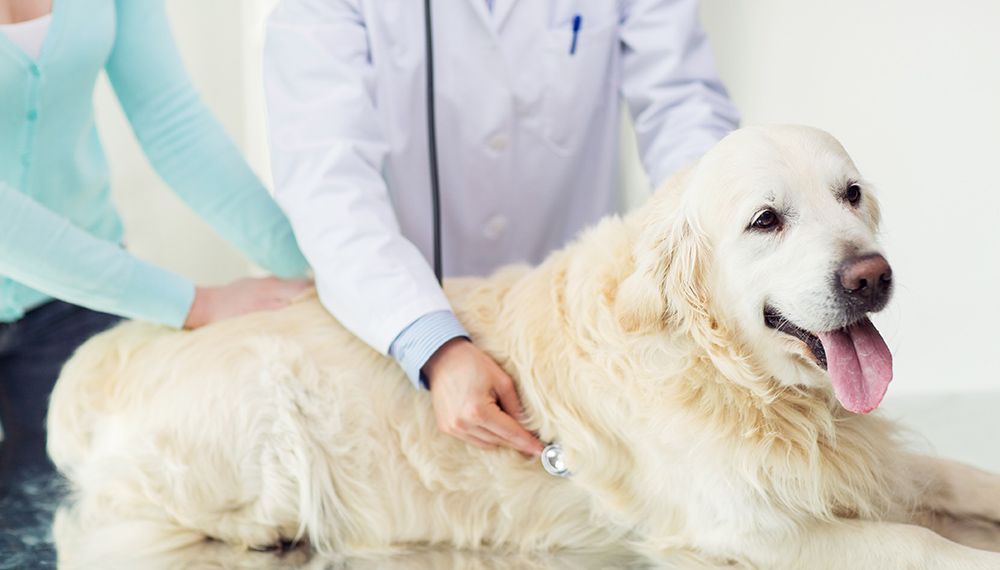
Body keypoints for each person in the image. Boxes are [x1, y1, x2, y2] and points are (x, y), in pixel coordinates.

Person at [264, 0, 740, 456]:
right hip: (404, 323)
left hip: (577, 330)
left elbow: (682, 106)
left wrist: (715, 252)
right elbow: (327, 178)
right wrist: (433, 344)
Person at [0, 0, 312, 468]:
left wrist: (314, 273)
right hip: (104, 283)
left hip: (77, 306)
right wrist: (197, 303)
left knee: (77, 516)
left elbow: (173, 123)